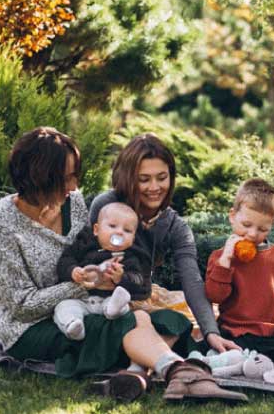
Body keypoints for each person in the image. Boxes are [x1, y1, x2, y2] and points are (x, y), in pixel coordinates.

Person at [0, 127, 245, 402]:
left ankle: (137, 374)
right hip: (31, 328)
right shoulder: (0, 222)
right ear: (40, 177)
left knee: (171, 319)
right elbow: (22, 307)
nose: (74, 186)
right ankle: (181, 373)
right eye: (67, 178)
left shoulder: (75, 204)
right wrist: (84, 284)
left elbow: (97, 257)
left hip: (91, 310)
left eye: (75, 176)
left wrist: (109, 280)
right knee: (131, 322)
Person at [90, 133, 246, 400]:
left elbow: (192, 280)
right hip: (106, 298)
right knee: (155, 321)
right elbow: (86, 256)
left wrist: (211, 333)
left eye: (162, 178)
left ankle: (137, 373)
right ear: (128, 178)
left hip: (144, 294)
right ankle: (167, 372)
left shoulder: (174, 225)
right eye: (144, 179)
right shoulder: (108, 207)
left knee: (185, 318)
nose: (154, 187)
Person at [204, 179, 274, 366]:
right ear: (232, 216)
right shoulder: (220, 257)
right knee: (236, 349)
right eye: (246, 224)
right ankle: (237, 361)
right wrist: (226, 262)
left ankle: (254, 363)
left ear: (271, 225)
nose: (252, 234)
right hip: (238, 331)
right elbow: (215, 296)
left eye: (262, 229)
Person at [53, 202, 142, 342]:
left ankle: (115, 310)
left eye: (127, 231)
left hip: (108, 299)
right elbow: (65, 260)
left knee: (120, 303)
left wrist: (121, 278)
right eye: (112, 226)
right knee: (64, 307)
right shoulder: (84, 245)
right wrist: (73, 271)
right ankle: (73, 325)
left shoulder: (129, 257)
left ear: (133, 239)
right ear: (96, 230)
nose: (119, 232)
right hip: (80, 298)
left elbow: (138, 280)